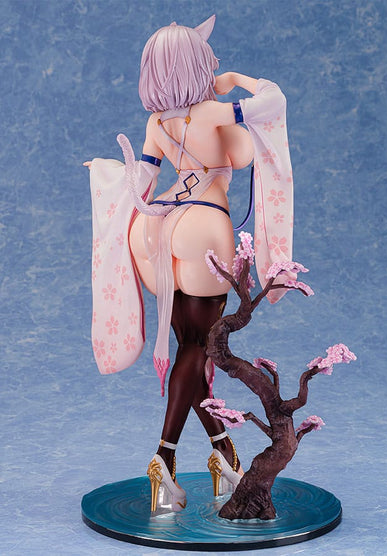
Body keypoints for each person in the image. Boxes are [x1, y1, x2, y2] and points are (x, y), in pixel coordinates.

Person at [85, 15, 295, 513]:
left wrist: (108, 177)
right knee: (199, 348)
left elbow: (143, 177)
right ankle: (164, 457)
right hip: (203, 224)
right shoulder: (216, 112)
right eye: (208, 58)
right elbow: (270, 109)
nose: (215, 62)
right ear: (196, 65)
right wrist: (235, 79)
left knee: (190, 349)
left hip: (155, 226)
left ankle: (223, 452)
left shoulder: (157, 122)